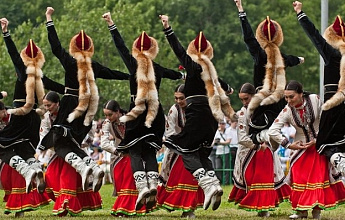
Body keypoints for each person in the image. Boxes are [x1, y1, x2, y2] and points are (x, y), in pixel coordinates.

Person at [41, 7, 129, 194]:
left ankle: (83, 168)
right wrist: (131, 76)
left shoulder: (70, 62)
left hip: (71, 103)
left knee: (59, 143)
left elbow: (55, 47)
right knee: (73, 144)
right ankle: (93, 167)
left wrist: (49, 19)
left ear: (74, 49)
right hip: (88, 108)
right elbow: (112, 74)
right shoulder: (94, 66)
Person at [102, 12, 185, 211]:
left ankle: (142, 188)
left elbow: (120, 47)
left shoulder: (133, 65)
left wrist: (111, 24)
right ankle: (152, 186)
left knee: (134, 150)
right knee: (149, 150)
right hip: (156, 115)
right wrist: (187, 72)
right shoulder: (159, 68)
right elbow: (178, 74)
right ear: (153, 50)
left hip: (138, 113)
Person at [159, 14, 236, 211]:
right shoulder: (211, 71)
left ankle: (208, 186)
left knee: (184, 149)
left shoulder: (193, 66)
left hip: (197, 114)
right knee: (202, 154)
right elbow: (223, 86)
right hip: (211, 119)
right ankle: (215, 183)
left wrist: (168, 28)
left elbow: (177, 49)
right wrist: (229, 90)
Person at [268, 80, 345, 219]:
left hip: (319, 146)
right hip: (300, 148)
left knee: (317, 179)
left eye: (291, 96)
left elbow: (326, 120)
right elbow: (272, 131)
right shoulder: (287, 110)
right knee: (299, 178)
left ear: (301, 94)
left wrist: (317, 140)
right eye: (286, 97)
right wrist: (289, 145)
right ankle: (301, 211)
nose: (288, 100)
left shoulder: (315, 100)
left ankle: (317, 211)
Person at [292, 1, 345, 182]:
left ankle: (342, 165)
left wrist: (300, 13)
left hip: (333, 102)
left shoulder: (331, 53)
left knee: (324, 142)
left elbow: (314, 35)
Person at [0, 17, 48, 194]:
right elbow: (60, 87)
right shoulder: (39, 76)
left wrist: (6, 33)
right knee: (24, 149)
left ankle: (28, 172)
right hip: (34, 120)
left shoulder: (23, 72)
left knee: (2, 147)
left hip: (20, 116)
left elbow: (13, 53)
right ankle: (36, 169)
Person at [228, 83, 291, 217]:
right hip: (251, 150)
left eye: (247, 99)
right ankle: (261, 207)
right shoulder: (243, 113)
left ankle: (265, 207)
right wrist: (256, 144)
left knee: (265, 179)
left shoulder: (266, 108)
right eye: (242, 100)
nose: (244, 102)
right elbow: (242, 138)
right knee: (255, 180)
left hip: (266, 149)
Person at [39, 91, 103, 216]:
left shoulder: (70, 113)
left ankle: (67, 205)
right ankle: (94, 170)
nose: (47, 109)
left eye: (49, 105)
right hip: (57, 152)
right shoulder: (46, 118)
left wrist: (83, 140)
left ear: (58, 103)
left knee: (67, 180)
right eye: (45, 106)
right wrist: (54, 145)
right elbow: (44, 136)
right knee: (51, 178)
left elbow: (88, 126)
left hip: (73, 152)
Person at [157, 84, 204, 218]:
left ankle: (189, 209)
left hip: (195, 149)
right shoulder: (174, 110)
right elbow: (170, 132)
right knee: (181, 180)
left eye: (181, 98)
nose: (178, 101)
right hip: (179, 151)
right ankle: (184, 208)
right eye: (176, 98)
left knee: (192, 180)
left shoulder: (197, 109)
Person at [101, 100, 150, 216]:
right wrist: (118, 152)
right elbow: (104, 143)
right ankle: (130, 206)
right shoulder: (107, 123)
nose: (108, 117)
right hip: (119, 156)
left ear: (118, 112)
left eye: (110, 114)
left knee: (129, 179)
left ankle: (126, 207)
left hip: (135, 154)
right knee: (119, 181)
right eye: (105, 115)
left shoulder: (131, 119)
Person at [213, 120, 232, 185]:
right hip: (218, 152)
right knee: (218, 168)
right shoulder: (217, 131)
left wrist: (220, 143)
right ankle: (220, 181)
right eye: (220, 123)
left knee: (226, 168)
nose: (222, 125)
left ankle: (226, 182)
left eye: (223, 124)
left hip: (226, 152)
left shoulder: (228, 131)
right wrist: (216, 142)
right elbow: (213, 141)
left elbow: (228, 141)